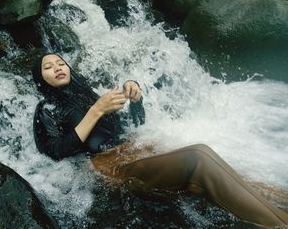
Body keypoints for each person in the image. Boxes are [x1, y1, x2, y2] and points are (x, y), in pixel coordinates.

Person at [32, 53, 288, 228]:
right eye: (48, 67)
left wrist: (136, 100)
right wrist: (97, 110)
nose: (57, 67)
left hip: (136, 151)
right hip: (109, 166)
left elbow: (134, 126)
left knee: (244, 179)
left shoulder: (88, 96)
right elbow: (54, 152)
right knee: (199, 157)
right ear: (41, 78)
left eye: (61, 63)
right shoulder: (47, 108)